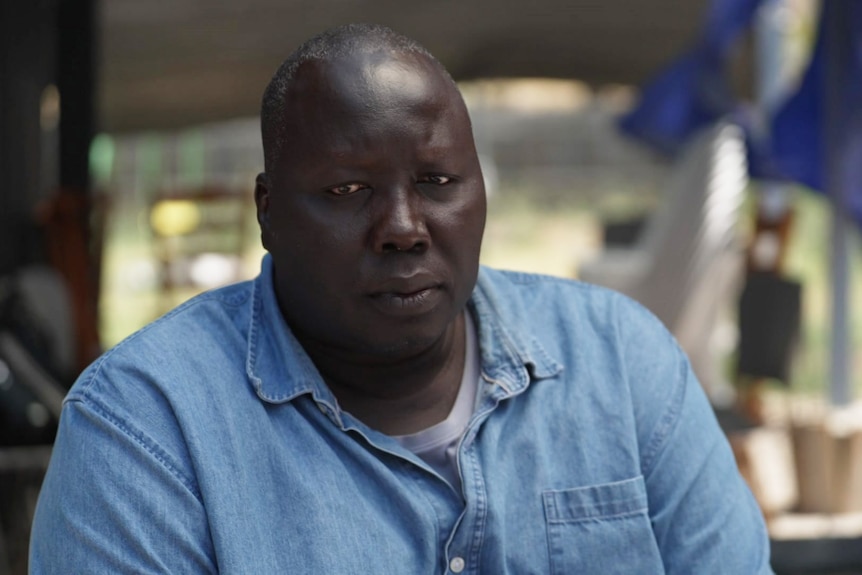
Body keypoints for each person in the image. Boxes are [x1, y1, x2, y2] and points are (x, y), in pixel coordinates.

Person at [30, 23, 773, 574]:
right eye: (348, 190)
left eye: (437, 182)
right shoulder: (145, 428)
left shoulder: (622, 362)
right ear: (268, 211)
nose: (403, 229)